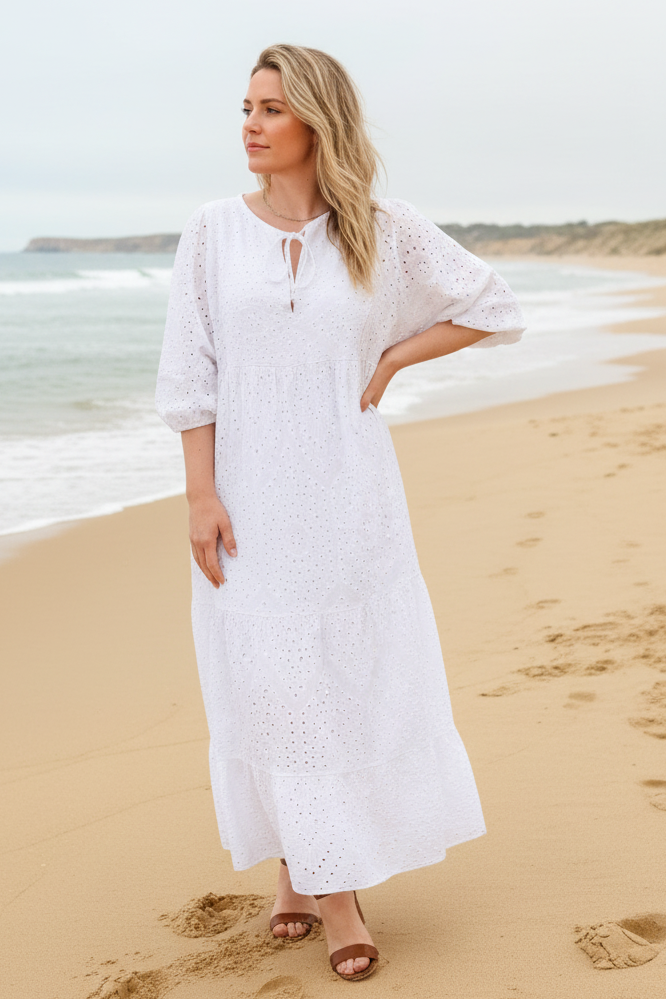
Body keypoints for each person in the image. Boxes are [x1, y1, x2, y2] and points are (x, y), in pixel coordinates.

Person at [156, 43, 525, 982]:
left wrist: (396, 354)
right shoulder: (211, 231)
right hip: (247, 500)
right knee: (273, 686)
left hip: (349, 496)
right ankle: (325, 884)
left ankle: (316, 874)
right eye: (246, 106)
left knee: (337, 682)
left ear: (317, 122)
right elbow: (190, 373)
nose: (250, 123)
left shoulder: (378, 229)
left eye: (271, 108)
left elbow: (491, 304)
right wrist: (201, 493)